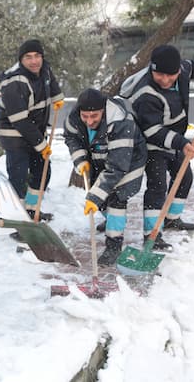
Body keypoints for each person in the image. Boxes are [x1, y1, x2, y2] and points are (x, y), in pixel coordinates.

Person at [125, 44, 194, 250]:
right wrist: (182, 143)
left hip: (175, 138)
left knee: (184, 177)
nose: (165, 80)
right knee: (157, 186)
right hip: (151, 143)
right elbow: (152, 131)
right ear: (152, 69)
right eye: (160, 75)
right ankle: (151, 234)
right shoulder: (145, 93)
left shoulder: (181, 69)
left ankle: (172, 219)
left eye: (170, 75)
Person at [64, 88, 147, 265]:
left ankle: (114, 246)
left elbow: (117, 168)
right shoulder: (74, 117)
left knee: (117, 196)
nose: (89, 121)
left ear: (104, 110)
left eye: (94, 116)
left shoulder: (120, 121)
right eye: (85, 116)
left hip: (130, 160)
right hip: (99, 158)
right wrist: (80, 159)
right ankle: (112, 221)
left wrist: (94, 197)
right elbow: (72, 137)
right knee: (101, 197)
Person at [0, 39, 64, 221]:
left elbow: (50, 81)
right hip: (14, 133)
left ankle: (31, 211)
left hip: (34, 129)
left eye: (37, 56)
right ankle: (17, 220)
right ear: (21, 60)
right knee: (19, 177)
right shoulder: (14, 82)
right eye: (28, 57)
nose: (34, 61)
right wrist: (41, 144)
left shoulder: (44, 69)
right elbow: (20, 121)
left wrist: (57, 97)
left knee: (42, 173)